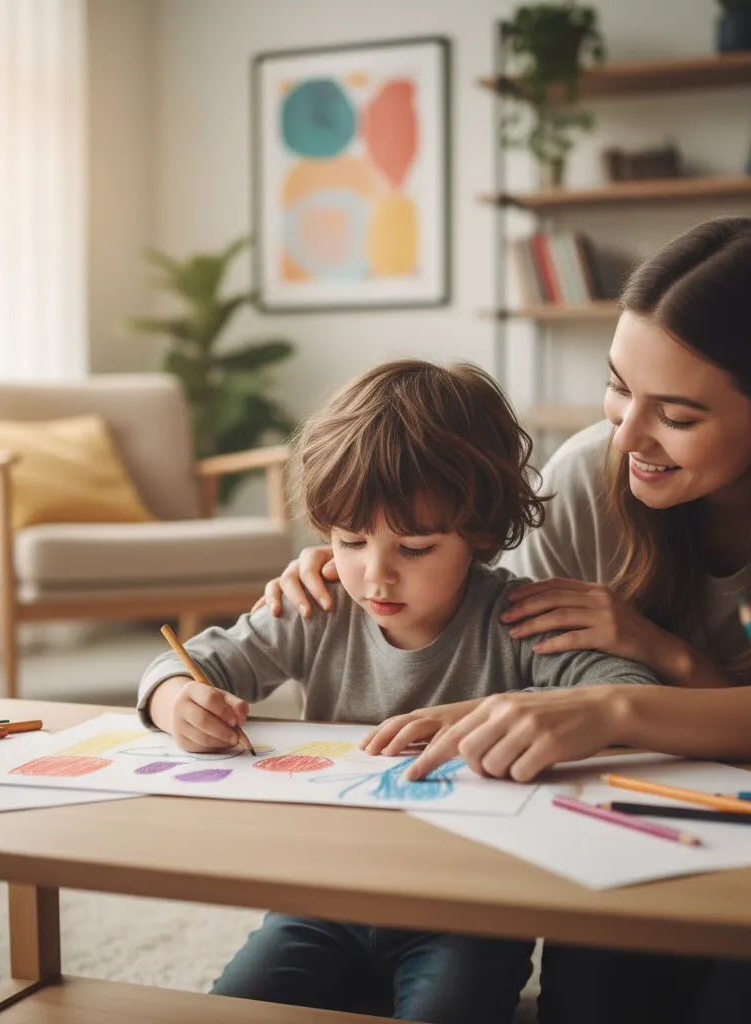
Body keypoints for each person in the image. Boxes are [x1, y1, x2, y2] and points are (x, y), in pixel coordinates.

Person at [257, 217, 751, 1023]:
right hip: (638, 831)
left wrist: (636, 684)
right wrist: (351, 563)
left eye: (676, 416)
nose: (625, 433)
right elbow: (499, 657)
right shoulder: (586, 481)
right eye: (617, 385)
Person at [136, 358, 660, 1024]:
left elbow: (628, 692)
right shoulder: (318, 602)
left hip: (469, 913)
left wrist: (517, 713)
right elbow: (193, 661)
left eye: (414, 548)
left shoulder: (521, 620)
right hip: (325, 901)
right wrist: (177, 699)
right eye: (351, 540)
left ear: (477, 533)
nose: (375, 575)